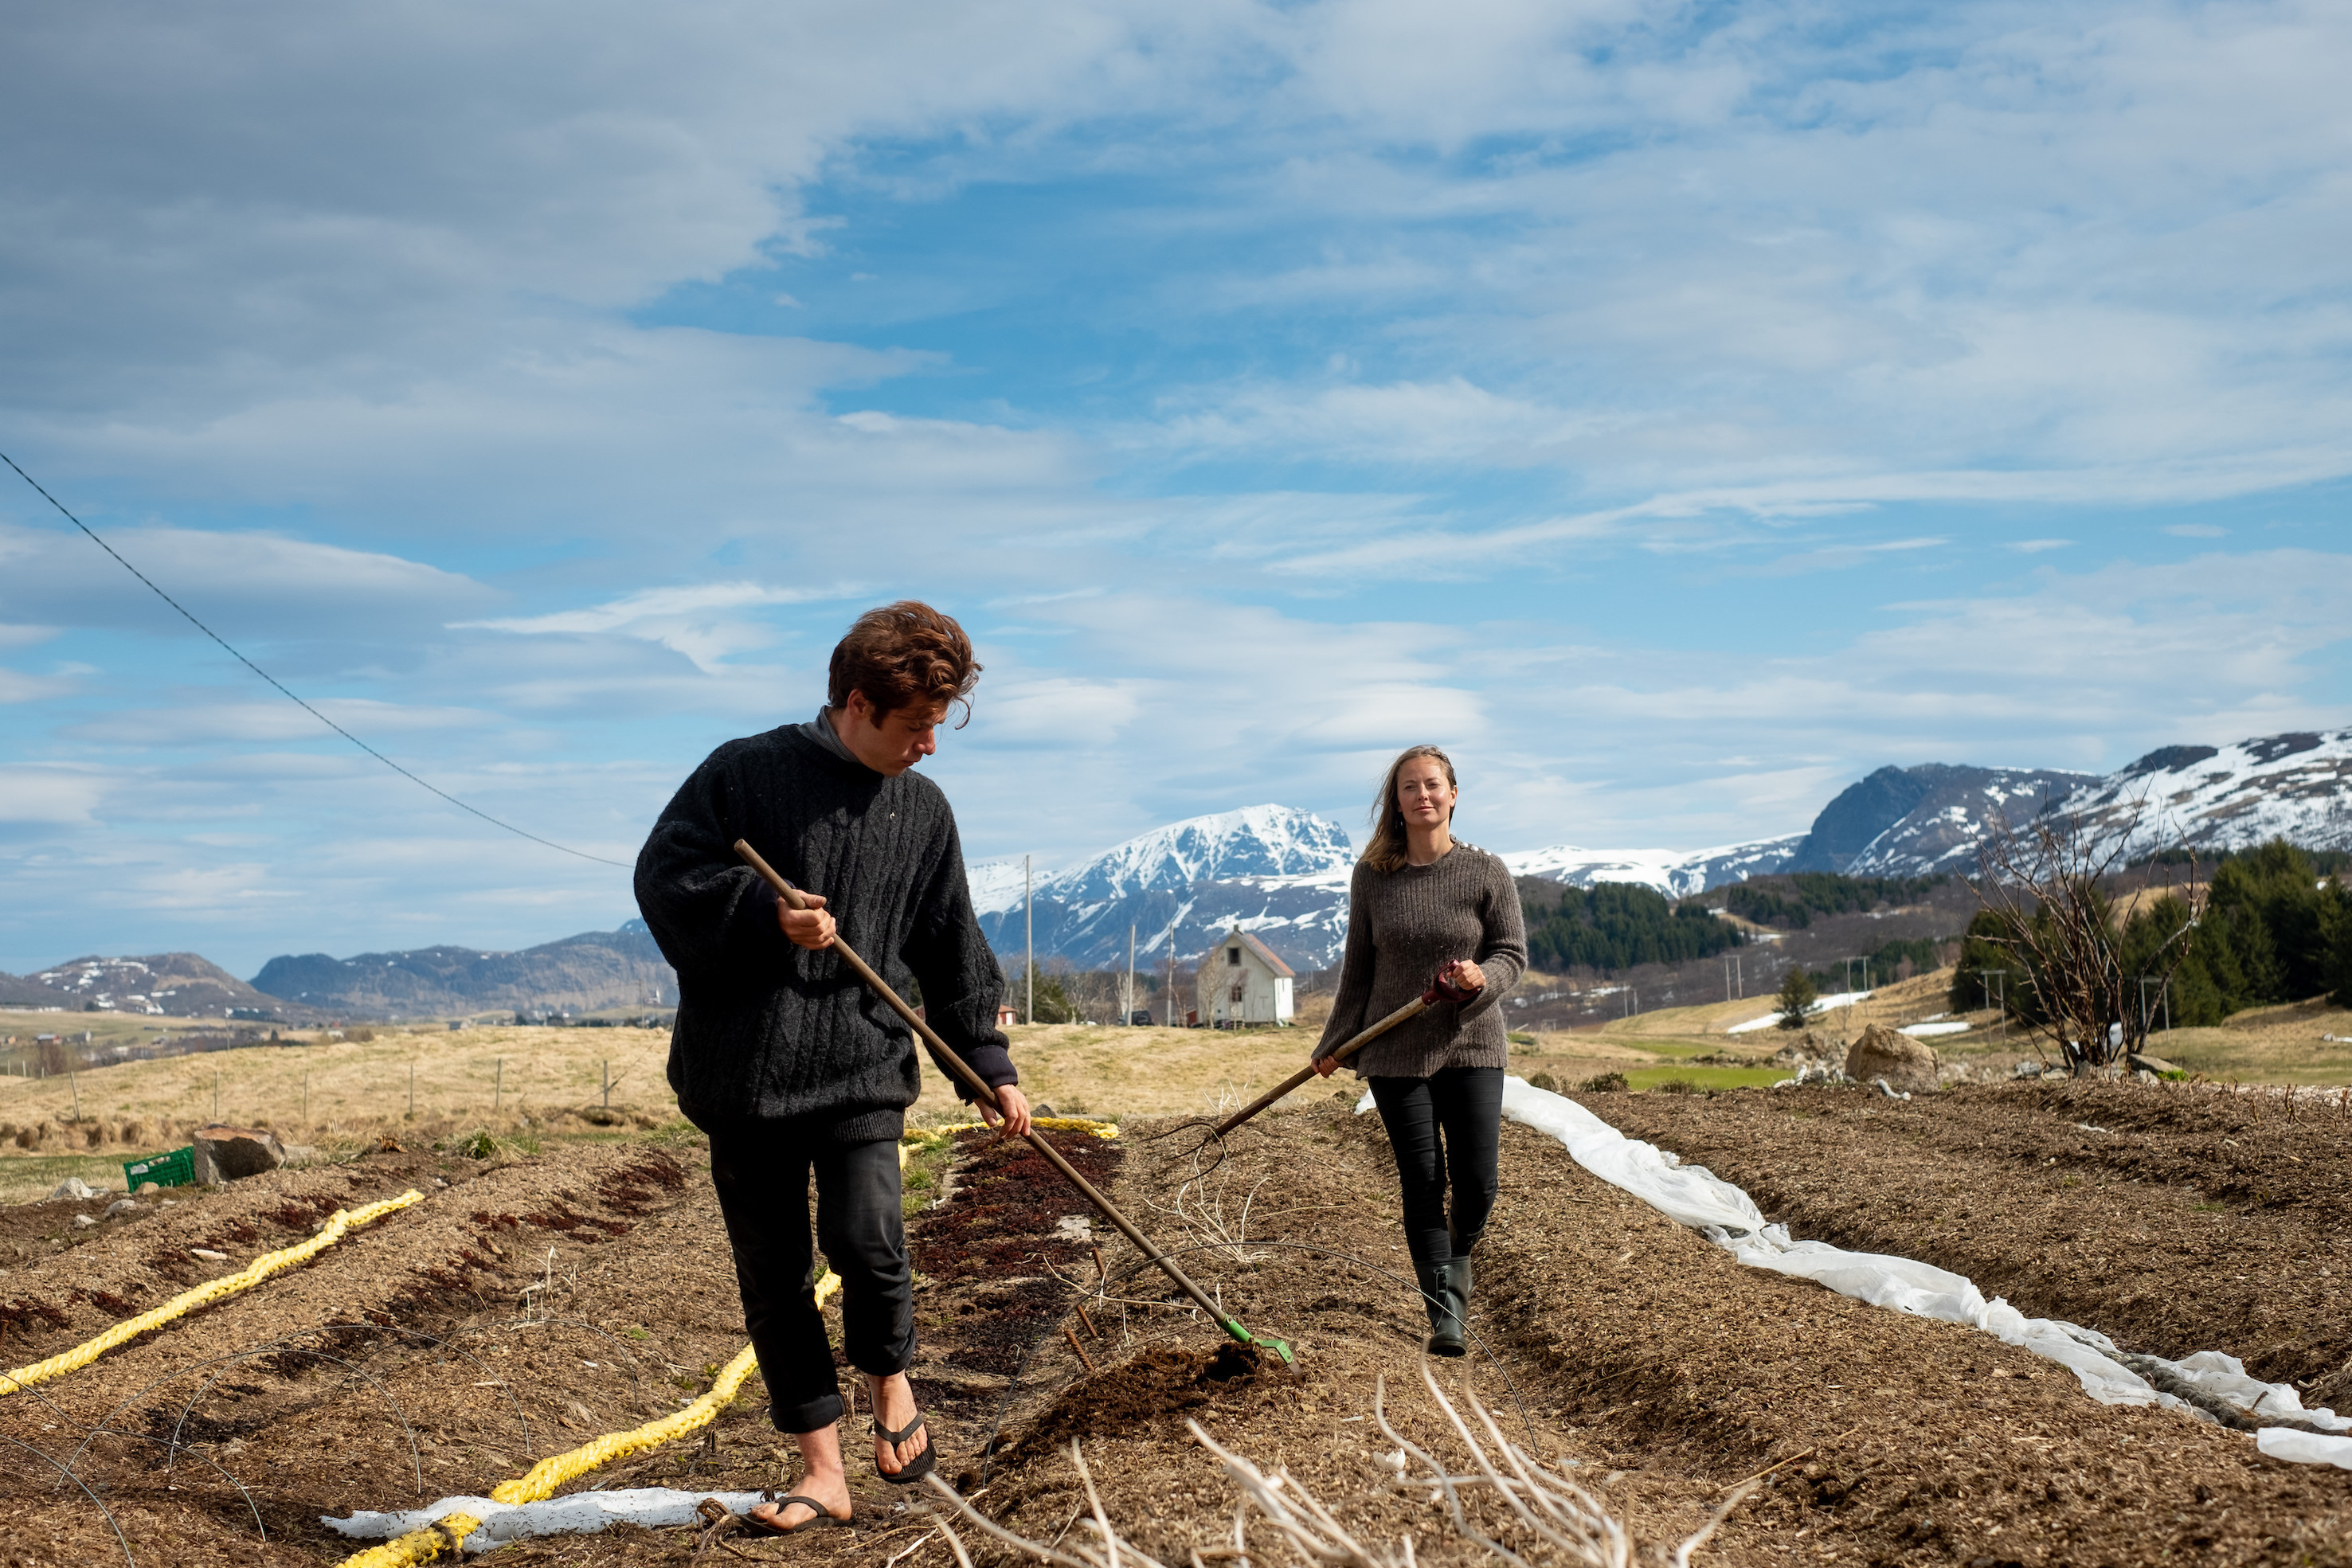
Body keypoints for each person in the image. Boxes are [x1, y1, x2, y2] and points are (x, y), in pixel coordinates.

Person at [634, 600, 1031, 1535]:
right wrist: (762, 914)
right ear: (856, 704)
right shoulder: (744, 773)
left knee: (867, 1241)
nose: (930, 746)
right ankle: (823, 1471)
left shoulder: (923, 810)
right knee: (773, 1275)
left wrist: (988, 1061)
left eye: (941, 724)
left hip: (861, 1064)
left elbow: (950, 942)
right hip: (745, 1078)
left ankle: (891, 1383)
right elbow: (666, 877)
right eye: (916, 726)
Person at [1313, 745, 1526, 1356]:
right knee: (1422, 1179)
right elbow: (1358, 970)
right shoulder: (1373, 877)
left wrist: (1481, 981)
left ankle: (1456, 1263)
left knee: (1478, 1183)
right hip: (1394, 1053)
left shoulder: (1486, 872)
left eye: (1432, 784)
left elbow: (1510, 954)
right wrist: (1335, 1045)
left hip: (1471, 1043)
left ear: (1453, 794)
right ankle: (1445, 1313)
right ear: (1396, 801)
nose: (1422, 795)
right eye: (1409, 787)